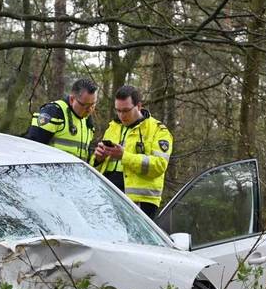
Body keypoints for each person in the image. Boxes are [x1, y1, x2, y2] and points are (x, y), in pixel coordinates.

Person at [92, 85, 172, 219]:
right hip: (108, 197)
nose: (122, 115)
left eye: (126, 110)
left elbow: (159, 166)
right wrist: (98, 159)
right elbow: (97, 165)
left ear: (139, 106)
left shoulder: (158, 131)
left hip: (140, 202)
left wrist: (124, 156)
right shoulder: (113, 127)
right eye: (118, 110)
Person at [26, 78, 98, 161]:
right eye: (85, 105)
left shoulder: (88, 121)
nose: (90, 109)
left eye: (93, 104)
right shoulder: (53, 112)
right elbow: (31, 150)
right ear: (72, 99)